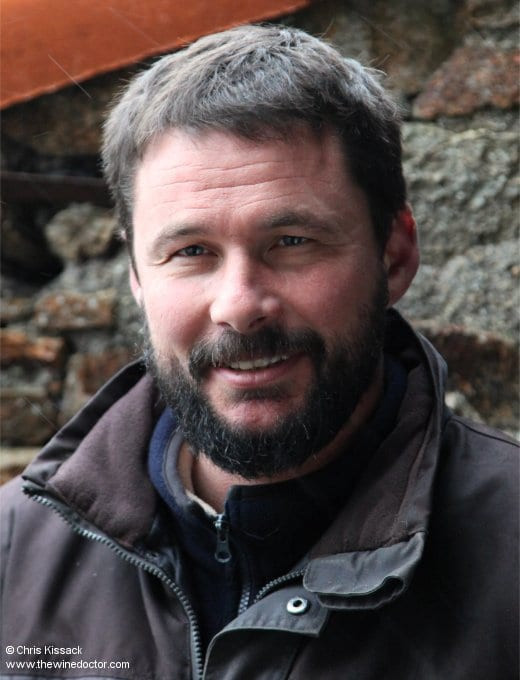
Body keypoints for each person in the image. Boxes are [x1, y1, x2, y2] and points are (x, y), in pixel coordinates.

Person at [1, 24, 518, 680]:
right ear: (136, 274)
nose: (239, 304)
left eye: (292, 240)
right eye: (191, 252)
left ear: (395, 253)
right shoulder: (14, 552)